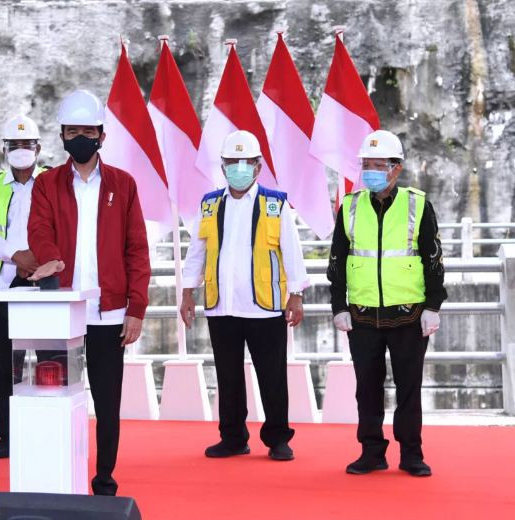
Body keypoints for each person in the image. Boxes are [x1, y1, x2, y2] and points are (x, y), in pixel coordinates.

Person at [26, 89, 150, 496]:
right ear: (62, 135)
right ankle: (60, 466)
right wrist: (51, 260)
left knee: (106, 400)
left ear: (101, 135)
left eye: (88, 131)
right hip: (59, 307)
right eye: (72, 131)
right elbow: (39, 230)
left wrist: (137, 308)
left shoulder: (124, 185)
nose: (80, 137)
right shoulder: (46, 184)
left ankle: (105, 476)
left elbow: (137, 249)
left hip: (109, 312)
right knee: (55, 394)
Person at [180, 130, 308, 461]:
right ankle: (233, 436)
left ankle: (278, 438)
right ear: (222, 167)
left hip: (264, 306)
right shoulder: (209, 204)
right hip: (222, 305)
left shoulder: (275, 203)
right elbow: (197, 251)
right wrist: (187, 293)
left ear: (258, 165)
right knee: (228, 375)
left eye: (246, 162)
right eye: (231, 163)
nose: (239, 168)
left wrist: (296, 294)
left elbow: (291, 251)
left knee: (273, 375)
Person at [327, 129, 446, 477]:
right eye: (367, 165)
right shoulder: (349, 206)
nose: (371, 171)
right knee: (367, 388)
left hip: (408, 314)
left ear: (396, 168)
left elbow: (434, 258)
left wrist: (433, 306)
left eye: (379, 165)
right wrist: (339, 306)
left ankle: (411, 454)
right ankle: (371, 451)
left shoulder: (418, 204)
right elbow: (337, 260)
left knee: (409, 388)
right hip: (362, 315)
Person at [0, 114, 48, 459]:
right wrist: (16, 255)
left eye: (27, 145)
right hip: (4, 282)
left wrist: (40, 258)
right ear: (4, 149)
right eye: (14, 145)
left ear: (39, 148)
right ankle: (7, 434)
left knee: (50, 357)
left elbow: (65, 223)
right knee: (9, 362)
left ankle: (49, 427)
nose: (21, 151)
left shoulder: (54, 182)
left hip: (46, 280)